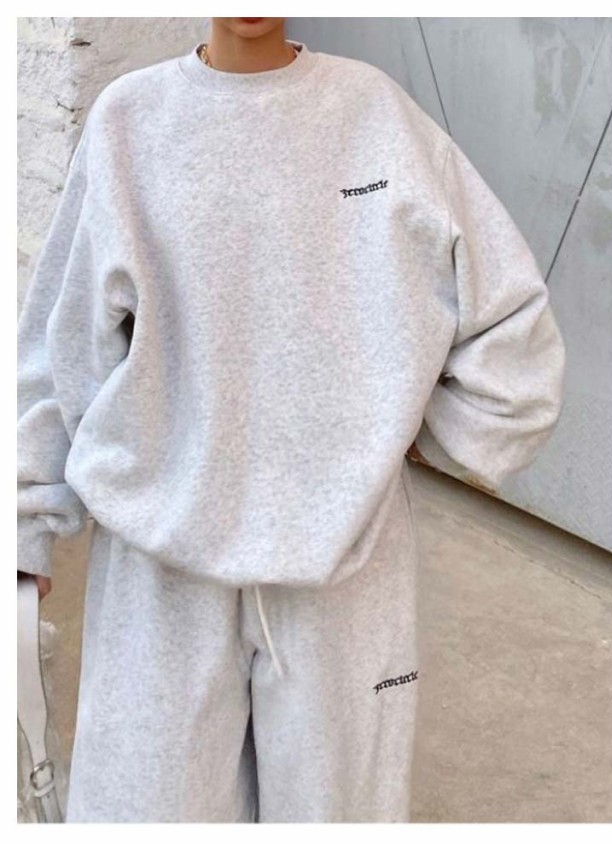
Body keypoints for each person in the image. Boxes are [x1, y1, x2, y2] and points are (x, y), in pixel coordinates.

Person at [17, 17, 566, 823]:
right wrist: (26, 527)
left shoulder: (378, 116)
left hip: (345, 573)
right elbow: (60, 342)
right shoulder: (130, 120)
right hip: (160, 566)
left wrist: (408, 430)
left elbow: (512, 332)